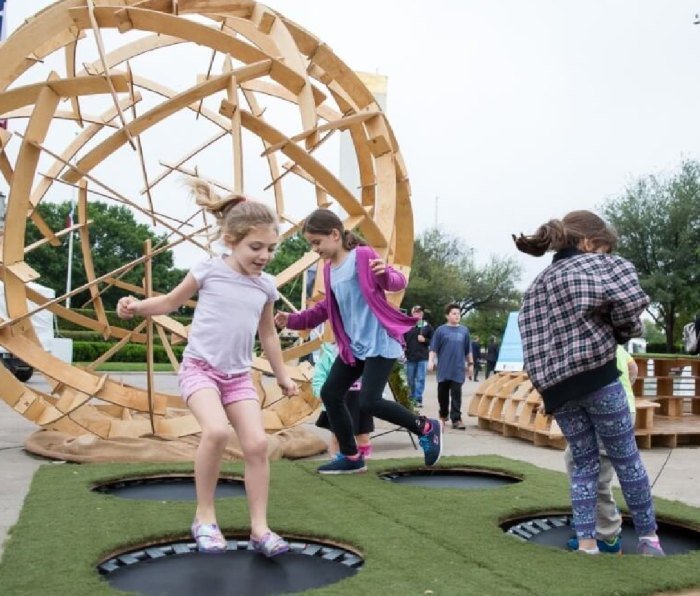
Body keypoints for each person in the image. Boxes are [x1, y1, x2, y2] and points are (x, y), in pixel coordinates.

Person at [117, 180, 298, 557]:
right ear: (231, 240)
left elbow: (267, 336)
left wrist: (282, 376)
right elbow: (168, 303)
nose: (264, 255)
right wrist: (135, 307)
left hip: (237, 377)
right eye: (256, 247)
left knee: (258, 444)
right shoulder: (209, 271)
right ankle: (204, 517)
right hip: (200, 370)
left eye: (271, 248)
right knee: (215, 431)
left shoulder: (265, 286)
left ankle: (260, 529)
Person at [515, 209, 664, 556]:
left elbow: (531, 335)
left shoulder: (538, 284)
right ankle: (648, 539)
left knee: (583, 464)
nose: (607, 255)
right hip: (598, 379)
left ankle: (587, 544)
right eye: (604, 248)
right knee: (626, 459)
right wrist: (624, 332)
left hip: (558, 389)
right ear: (587, 242)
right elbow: (628, 307)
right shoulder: (601, 266)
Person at [274, 208, 442, 474]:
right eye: (311, 244)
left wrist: (384, 275)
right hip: (354, 347)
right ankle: (351, 456)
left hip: (379, 341)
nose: (314, 249)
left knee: (369, 401)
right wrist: (292, 320)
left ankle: (426, 427)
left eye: (316, 242)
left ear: (335, 234)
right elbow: (325, 309)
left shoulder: (361, 256)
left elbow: (398, 282)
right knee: (330, 393)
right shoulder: (329, 270)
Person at [566, 344, 638, 554]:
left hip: (609, 413)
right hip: (614, 408)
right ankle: (592, 519)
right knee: (573, 459)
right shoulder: (611, 343)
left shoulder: (586, 344)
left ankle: (607, 536)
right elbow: (633, 368)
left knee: (595, 474)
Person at [313, 341, 374, 459]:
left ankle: (364, 460)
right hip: (339, 399)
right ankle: (336, 460)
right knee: (337, 436)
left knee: (363, 436)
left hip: (360, 400)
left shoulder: (365, 349)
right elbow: (320, 374)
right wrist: (320, 391)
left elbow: (375, 376)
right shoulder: (329, 352)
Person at [428, 303, 473, 430]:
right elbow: (433, 348)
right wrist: (431, 361)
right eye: (454, 313)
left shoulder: (464, 331)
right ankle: (443, 414)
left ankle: (456, 419)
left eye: (458, 314)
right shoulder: (440, 330)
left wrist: (470, 365)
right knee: (442, 394)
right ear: (447, 315)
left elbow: (468, 350)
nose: (457, 316)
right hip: (444, 369)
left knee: (456, 394)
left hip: (458, 369)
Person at [403, 305, 433, 407]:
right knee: (410, 379)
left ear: (422, 314)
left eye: (420, 312)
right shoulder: (407, 326)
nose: (418, 314)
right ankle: (411, 398)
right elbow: (402, 339)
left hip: (422, 357)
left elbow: (433, 341)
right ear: (412, 313)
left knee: (420, 378)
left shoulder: (427, 326)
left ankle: (418, 399)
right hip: (410, 357)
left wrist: (425, 340)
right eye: (416, 312)